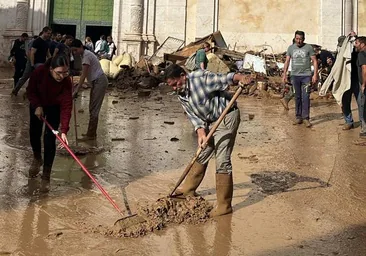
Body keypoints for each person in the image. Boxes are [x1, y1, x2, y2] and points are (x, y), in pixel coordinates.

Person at [164, 64, 252, 217]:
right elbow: (192, 115)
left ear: (182, 76)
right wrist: (200, 132)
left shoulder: (200, 78)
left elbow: (226, 78)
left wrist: (241, 78)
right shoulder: (181, 93)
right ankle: (188, 189)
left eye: (175, 84)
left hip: (227, 117)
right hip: (211, 123)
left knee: (222, 159)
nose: (174, 88)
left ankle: (224, 206)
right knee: (201, 154)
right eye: (171, 86)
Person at [26, 54, 72, 191]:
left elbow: (67, 105)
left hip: (54, 107)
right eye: (58, 73)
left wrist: (64, 130)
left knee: (50, 138)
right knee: (34, 132)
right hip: (38, 103)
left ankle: (46, 176)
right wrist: (37, 105)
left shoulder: (66, 82)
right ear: (51, 69)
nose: (62, 76)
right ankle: (37, 157)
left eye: (65, 72)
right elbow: (30, 91)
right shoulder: (39, 72)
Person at [71, 39, 108, 140]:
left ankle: (91, 135)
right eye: (73, 51)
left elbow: (83, 76)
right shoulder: (85, 54)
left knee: (94, 109)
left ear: (80, 47)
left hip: (99, 81)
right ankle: (91, 133)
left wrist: (76, 90)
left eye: (75, 50)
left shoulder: (86, 56)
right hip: (96, 82)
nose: (74, 53)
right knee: (92, 108)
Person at [282, 30, 318, 127]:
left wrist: (315, 74)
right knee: (297, 96)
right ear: (294, 38)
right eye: (297, 39)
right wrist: (284, 74)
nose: (298, 41)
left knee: (306, 97)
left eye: (300, 39)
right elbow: (287, 61)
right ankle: (298, 117)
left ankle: (306, 118)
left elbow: (314, 61)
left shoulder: (309, 48)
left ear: (304, 39)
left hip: (306, 76)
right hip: (295, 76)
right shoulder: (290, 48)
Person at [341, 32, 363, 130]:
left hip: (356, 79)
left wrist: (356, 37)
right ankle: (348, 121)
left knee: (361, 102)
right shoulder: (341, 53)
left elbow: (360, 45)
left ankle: (363, 124)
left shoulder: (356, 52)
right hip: (345, 80)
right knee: (345, 101)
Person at [354, 36, 366, 138]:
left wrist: (363, 84)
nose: (355, 45)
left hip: (364, 84)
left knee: (363, 105)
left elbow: (364, 69)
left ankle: (364, 128)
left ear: (362, 45)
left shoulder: (362, 54)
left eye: (356, 43)